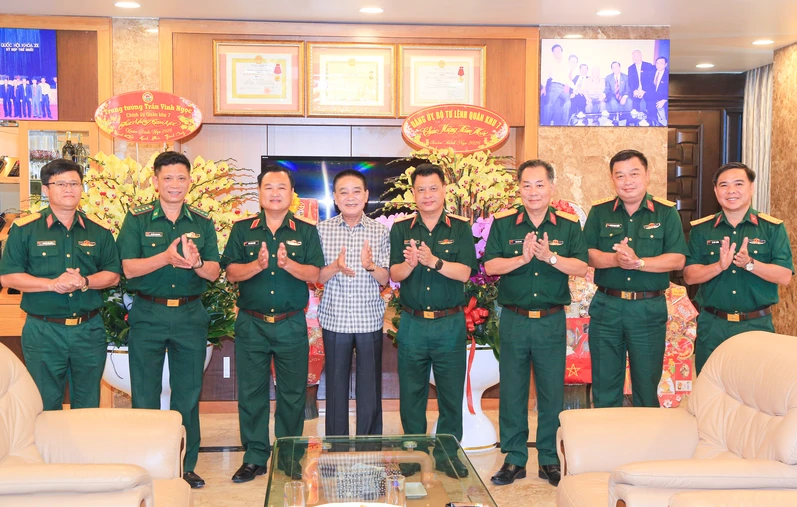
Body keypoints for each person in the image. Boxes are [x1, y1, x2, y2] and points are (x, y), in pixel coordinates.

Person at [116, 151, 221, 489]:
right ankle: (146, 464)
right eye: (168, 178)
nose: (175, 184)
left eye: (181, 178)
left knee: (187, 394)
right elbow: (128, 268)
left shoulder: (202, 222)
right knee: (144, 394)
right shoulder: (138, 219)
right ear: (156, 182)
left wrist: (196, 264)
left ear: (190, 181)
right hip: (148, 313)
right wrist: (165, 257)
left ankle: (184, 465)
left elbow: (214, 272)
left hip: (190, 314)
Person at [484, 160, 588, 487]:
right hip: (514, 319)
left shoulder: (568, 225)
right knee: (512, 392)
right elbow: (490, 266)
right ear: (519, 188)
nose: (533, 191)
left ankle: (548, 458)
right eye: (526, 185)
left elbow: (581, 267)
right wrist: (523, 259)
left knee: (551, 392)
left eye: (539, 184)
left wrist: (550, 258)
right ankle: (514, 458)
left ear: (551, 188)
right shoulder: (504, 223)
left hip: (550, 320)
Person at [222, 164, 323, 484]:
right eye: (269, 187)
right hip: (251, 324)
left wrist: (288, 264)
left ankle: (288, 456)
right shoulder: (243, 230)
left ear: (292, 194)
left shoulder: (306, 231)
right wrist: (257, 265)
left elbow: (315, 274)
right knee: (251, 393)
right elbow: (230, 273)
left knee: (292, 394)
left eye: (282, 187)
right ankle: (254, 457)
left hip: (291, 323)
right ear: (260, 193)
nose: (275, 193)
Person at [0, 159, 120, 410]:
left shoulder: (98, 230)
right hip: (43, 331)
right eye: (61, 183)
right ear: (46, 189)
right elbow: (8, 277)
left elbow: (113, 274)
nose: (69, 189)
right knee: (44, 403)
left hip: (89, 330)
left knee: (88, 404)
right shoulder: (25, 229)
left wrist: (84, 281)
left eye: (74, 183)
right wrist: (53, 284)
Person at [389, 163, 478, 478]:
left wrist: (434, 261)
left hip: (448, 324)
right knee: (412, 394)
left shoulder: (460, 228)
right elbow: (394, 273)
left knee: (450, 395)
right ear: (413, 194)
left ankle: (448, 456)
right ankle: (412, 455)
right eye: (421, 189)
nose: (427, 195)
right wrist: (411, 265)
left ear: (444, 191)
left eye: (433, 188)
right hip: (412, 323)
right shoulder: (401, 229)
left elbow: (465, 273)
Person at [583, 149, 687, 408]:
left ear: (647, 175)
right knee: (605, 384)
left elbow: (677, 259)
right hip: (607, 307)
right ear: (612, 179)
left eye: (634, 174)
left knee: (646, 384)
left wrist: (639, 263)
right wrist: (615, 260)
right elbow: (586, 255)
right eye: (620, 175)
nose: (627, 181)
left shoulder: (665, 213)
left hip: (647, 308)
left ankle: (645, 434)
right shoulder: (599, 212)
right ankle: (608, 433)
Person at [684, 162, 793, 374]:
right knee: (710, 387)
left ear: (751, 188)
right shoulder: (701, 229)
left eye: (738, 184)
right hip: (713, 326)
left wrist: (750, 264)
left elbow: (784, 276)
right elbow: (689, 276)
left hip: (756, 326)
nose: (731, 190)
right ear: (715, 191)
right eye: (724, 185)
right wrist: (718, 266)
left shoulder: (771, 228)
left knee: (755, 388)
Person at [317, 169, 390, 436]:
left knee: (370, 387)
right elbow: (316, 277)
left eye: (356, 191)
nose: (350, 197)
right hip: (335, 319)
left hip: (369, 319)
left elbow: (385, 278)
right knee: (335, 387)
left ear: (366, 196)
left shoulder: (380, 231)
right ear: (335, 198)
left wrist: (370, 266)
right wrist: (335, 266)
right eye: (343, 192)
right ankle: (336, 444)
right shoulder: (321, 230)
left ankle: (369, 444)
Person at [541, 44, 572, 126]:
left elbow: (567, 80)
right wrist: (543, 88)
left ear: (561, 52)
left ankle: (564, 125)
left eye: (559, 50)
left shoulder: (566, 65)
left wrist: (575, 89)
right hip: (554, 86)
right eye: (555, 51)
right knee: (549, 104)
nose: (557, 52)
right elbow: (545, 76)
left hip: (563, 88)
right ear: (553, 53)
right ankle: (545, 125)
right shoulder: (550, 64)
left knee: (568, 102)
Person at [648, 56, 669, 126]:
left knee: (664, 118)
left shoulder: (668, 74)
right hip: (652, 98)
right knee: (651, 116)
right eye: (657, 63)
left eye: (661, 63)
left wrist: (664, 100)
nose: (659, 65)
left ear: (665, 64)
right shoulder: (651, 72)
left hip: (663, 99)